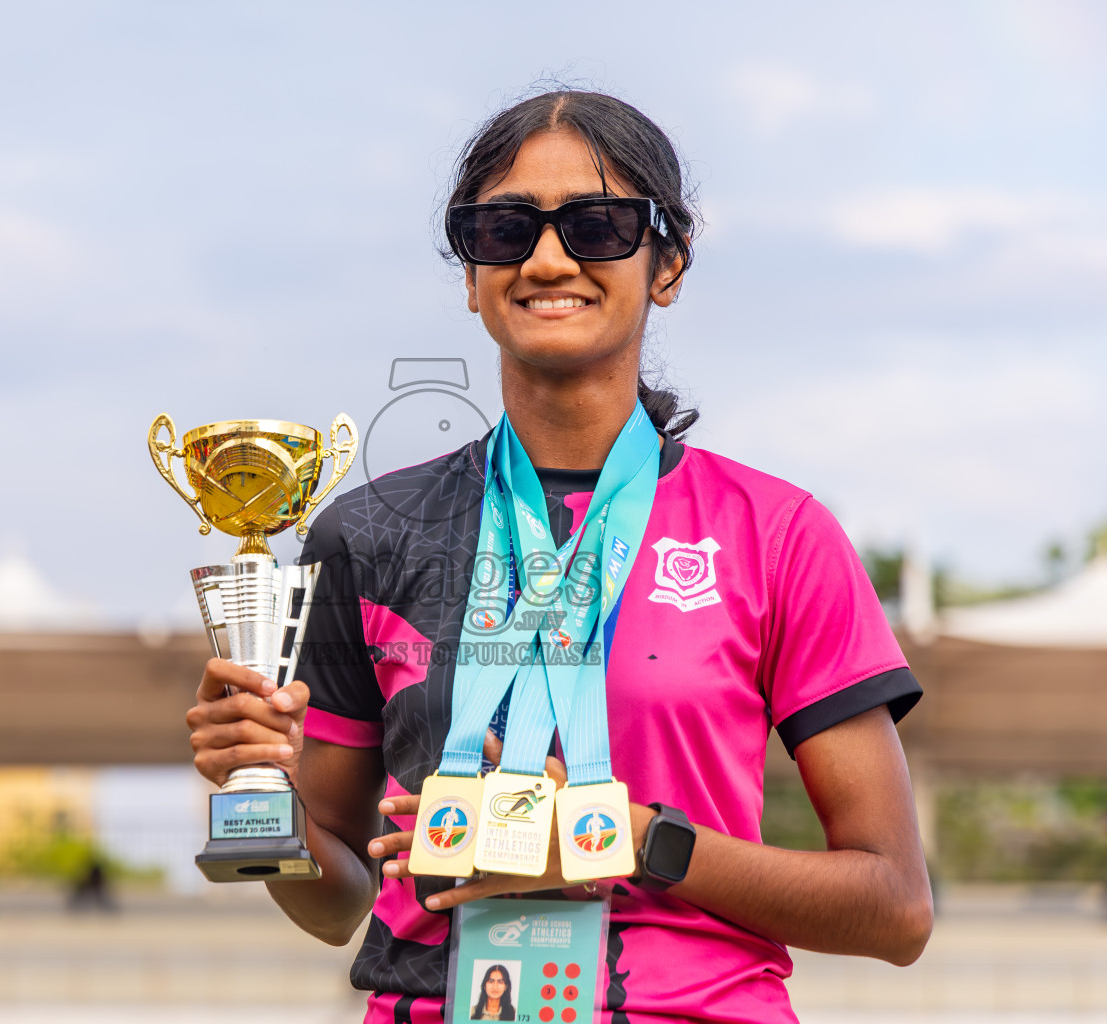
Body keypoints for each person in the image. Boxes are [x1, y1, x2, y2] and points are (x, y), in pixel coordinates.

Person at [185, 89, 933, 1023]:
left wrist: (622, 840)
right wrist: (262, 797)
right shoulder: (366, 534)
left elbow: (896, 908)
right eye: (503, 227)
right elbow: (336, 902)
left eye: (598, 224)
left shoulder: (775, 533)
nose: (547, 258)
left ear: (669, 265)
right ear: (469, 274)